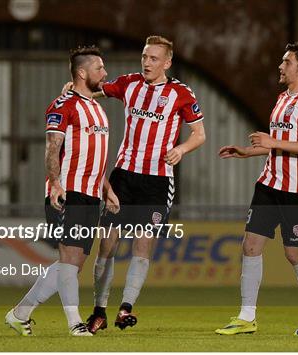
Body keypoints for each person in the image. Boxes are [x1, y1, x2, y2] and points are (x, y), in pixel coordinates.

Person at [83, 35, 206, 333]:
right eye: (144, 56)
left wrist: (181, 149)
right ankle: (99, 309)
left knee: (142, 245)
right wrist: (79, 95)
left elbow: (199, 134)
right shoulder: (129, 84)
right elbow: (100, 90)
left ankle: (125, 309)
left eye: (153, 58)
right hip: (124, 175)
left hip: (157, 181)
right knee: (107, 245)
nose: (147, 63)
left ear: (167, 62)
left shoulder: (181, 93)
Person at [5, 46, 119, 336]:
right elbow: (52, 148)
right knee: (69, 260)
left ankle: (20, 314)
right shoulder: (62, 105)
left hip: (92, 195)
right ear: (82, 73)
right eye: (99, 68)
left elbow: (97, 155)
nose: (105, 73)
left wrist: (107, 188)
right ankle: (75, 324)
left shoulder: (97, 108)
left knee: (73, 265)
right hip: (69, 192)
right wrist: (55, 183)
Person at [215, 42, 298, 336]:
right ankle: (246, 316)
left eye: (286, 62)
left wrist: (272, 143)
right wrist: (247, 151)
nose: (280, 66)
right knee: (250, 245)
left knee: (293, 253)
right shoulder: (282, 99)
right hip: (270, 183)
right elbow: (275, 145)